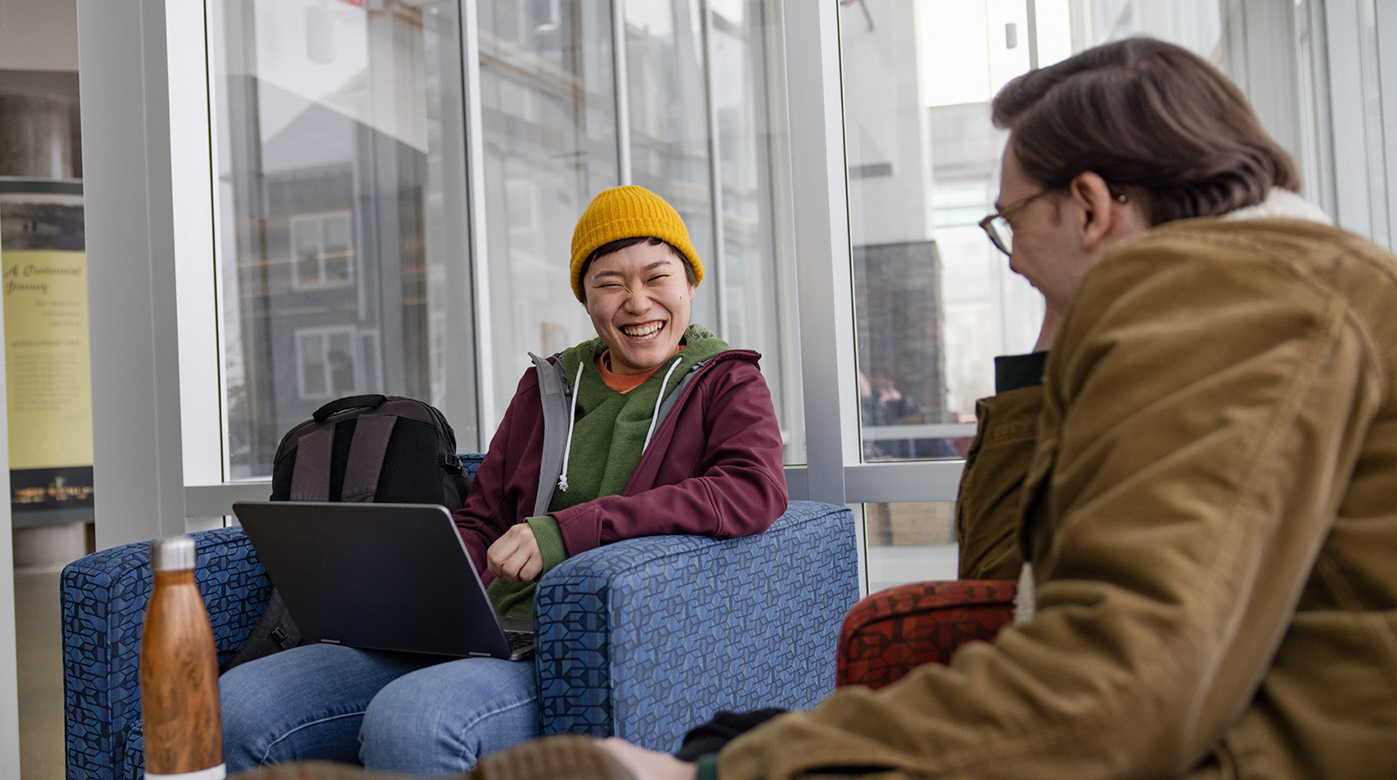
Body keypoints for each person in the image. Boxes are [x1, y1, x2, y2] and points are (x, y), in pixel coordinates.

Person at [588, 35, 1397, 780]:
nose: (1011, 264)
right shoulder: (1252, 295)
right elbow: (1002, 582)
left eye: (1007, 223)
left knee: (722, 750)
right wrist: (1046, 351)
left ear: (1088, 205)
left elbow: (1119, 689)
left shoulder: (1239, 303)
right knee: (735, 732)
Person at [218, 185, 788, 775]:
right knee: (238, 708)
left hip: (572, 647)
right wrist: (422, 588)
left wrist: (567, 531)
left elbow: (752, 489)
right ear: (586, 300)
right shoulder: (546, 386)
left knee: (415, 720)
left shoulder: (725, 382)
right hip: (480, 628)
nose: (638, 303)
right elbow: (484, 516)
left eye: (657, 277)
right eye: (610, 283)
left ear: (690, 283)